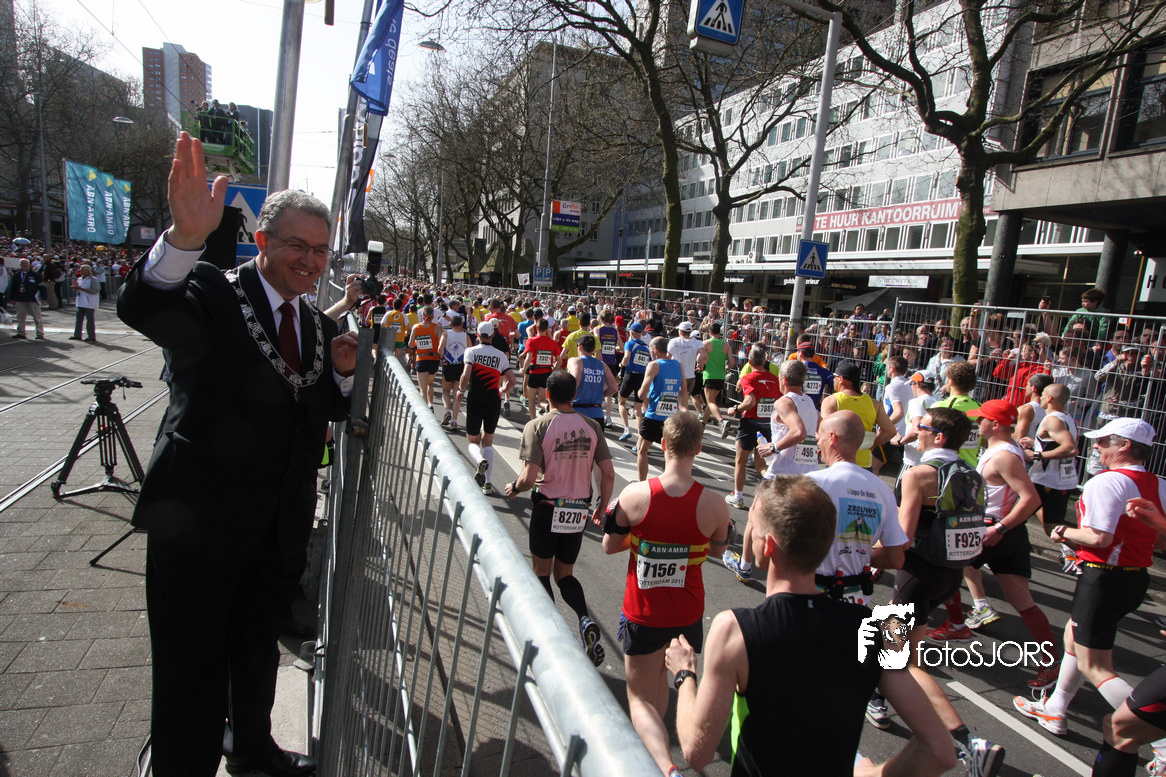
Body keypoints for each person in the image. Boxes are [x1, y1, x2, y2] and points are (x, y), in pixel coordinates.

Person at [117, 132, 357, 777]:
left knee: (256, 653)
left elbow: (317, 412)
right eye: (297, 246)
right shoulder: (213, 292)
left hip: (276, 532)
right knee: (189, 667)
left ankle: (252, 749)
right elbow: (144, 307)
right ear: (262, 241)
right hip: (198, 526)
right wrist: (184, 238)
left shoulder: (318, 325)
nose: (309, 261)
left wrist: (341, 378)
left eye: (320, 250)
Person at [664, 476, 955, 777]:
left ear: (768, 545)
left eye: (753, 526)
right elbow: (940, 752)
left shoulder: (734, 630)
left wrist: (685, 674)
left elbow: (697, 752)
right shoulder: (875, 629)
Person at [1014, 418, 1165, 740]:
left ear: (1125, 446)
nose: (1095, 446)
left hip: (1103, 579)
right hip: (1135, 579)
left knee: (1095, 666)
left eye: (1103, 441)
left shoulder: (1107, 482)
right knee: (1073, 638)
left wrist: (1063, 531)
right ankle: (1055, 707)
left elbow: (1099, 538)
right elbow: (1161, 539)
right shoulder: (1159, 483)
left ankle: (1158, 737)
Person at [602, 411, 732, 777]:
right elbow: (719, 549)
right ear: (699, 448)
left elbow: (609, 546)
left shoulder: (635, 495)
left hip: (643, 612)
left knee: (641, 699)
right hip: (687, 614)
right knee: (660, 686)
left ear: (663, 444)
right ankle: (654, 758)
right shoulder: (715, 504)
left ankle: (665, 767)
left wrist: (643, 542)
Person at [885, 406, 1005, 776]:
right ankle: (878, 698)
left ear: (937, 436)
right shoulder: (972, 474)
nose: (914, 431)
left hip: (916, 573)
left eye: (920, 427)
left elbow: (902, 537)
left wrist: (866, 555)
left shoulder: (919, 474)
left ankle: (969, 742)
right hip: (950, 576)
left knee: (899, 661)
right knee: (896, 650)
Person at [505, 370, 615, 667]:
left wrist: (514, 488)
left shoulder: (537, 425)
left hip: (548, 506)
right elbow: (608, 473)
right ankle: (584, 620)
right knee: (565, 574)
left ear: (547, 394)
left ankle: (551, 638)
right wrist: (601, 506)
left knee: (541, 571)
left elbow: (528, 478)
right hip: (578, 509)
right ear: (574, 395)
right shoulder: (591, 425)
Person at [956, 400, 1060, 689]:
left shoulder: (1004, 455)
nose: (977, 424)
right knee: (1020, 598)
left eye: (981, 419)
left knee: (935, 573)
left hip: (994, 530)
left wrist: (1000, 528)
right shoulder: (1004, 449)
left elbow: (1031, 499)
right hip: (1004, 532)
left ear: (995, 424)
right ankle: (1051, 661)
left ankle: (949, 627)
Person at [459, 320, 516, 496]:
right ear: (493, 335)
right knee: (488, 441)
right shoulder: (501, 356)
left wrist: (461, 390)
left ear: (477, 334)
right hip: (493, 399)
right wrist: (503, 390)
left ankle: (479, 460)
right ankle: (488, 484)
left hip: (475, 398)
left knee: (472, 440)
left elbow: (466, 375)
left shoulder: (471, 352)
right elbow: (513, 380)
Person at [723, 345, 784, 509]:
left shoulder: (748, 378)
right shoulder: (775, 379)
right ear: (765, 361)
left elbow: (750, 401)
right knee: (760, 464)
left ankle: (738, 497)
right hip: (767, 424)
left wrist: (735, 409)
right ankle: (775, 489)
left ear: (750, 362)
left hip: (749, 423)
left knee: (740, 461)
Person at [1020, 382, 1079, 528]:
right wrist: (1035, 443)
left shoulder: (1052, 420)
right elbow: (1058, 443)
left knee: (1015, 514)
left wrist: (1037, 455)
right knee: (1052, 527)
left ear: (1050, 398)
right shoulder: (1067, 417)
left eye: (1043, 395)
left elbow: (1071, 449)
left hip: (1047, 480)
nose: (1040, 398)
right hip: (1060, 480)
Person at [820, 360, 895, 471]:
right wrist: (873, 445)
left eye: (834, 377)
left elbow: (825, 431)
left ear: (841, 379)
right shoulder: (875, 404)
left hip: (838, 461)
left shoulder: (831, 401)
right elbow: (890, 431)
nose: (833, 380)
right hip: (864, 463)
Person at [636, 337, 688, 482]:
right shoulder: (678, 365)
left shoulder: (654, 365)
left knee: (642, 450)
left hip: (654, 415)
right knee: (669, 452)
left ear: (656, 350)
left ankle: (641, 483)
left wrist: (641, 393)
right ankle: (668, 483)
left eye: (650, 349)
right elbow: (684, 393)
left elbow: (642, 394)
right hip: (672, 417)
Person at [617, 322, 651, 442]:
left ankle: (626, 429)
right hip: (641, 377)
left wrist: (621, 364)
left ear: (631, 332)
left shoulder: (630, 343)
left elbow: (626, 358)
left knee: (621, 402)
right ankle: (640, 439)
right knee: (638, 409)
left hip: (630, 375)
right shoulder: (647, 347)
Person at [521, 316, 561, 416]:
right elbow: (559, 360)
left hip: (534, 373)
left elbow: (528, 358)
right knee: (541, 400)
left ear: (537, 328)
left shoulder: (531, 341)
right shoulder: (552, 342)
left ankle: (533, 421)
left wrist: (524, 370)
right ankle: (546, 407)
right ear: (547, 329)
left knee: (531, 401)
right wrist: (554, 369)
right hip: (546, 373)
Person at [700, 321, 734, 434]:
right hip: (720, 376)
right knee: (712, 402)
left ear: (710, 332)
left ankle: (722, 421)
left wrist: (700, 365)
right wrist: (727, 367)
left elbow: (699, 358)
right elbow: (732, 362)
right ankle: (703, 424)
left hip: (709, 375)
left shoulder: (706, 343)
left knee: (710, 402)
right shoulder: (726, 345)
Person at [437, 314, 470, 431]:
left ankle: (447, 410)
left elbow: (440, 348)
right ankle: (455, 421)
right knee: (457, 394)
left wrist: (441, 357)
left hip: (448, 365)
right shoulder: (466, 336)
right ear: (462, 324)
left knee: (445, 390)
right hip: (460, 366)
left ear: (451, 324)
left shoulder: (446, 334)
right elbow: (470, 350)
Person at [668, 321, 706, 415]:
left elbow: (668, 358)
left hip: (676, 375)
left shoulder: (674, 341)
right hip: (690, 376)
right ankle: (682, 418)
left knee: (681, 403)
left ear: (680, 331)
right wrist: (701, 365)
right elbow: (705, 356)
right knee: (683, 400)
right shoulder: (697, 342)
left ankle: (684, 419)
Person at [409, 305, 442, 408]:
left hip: (421, 358)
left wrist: (417, 342)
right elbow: (442, 343)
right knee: (430, 383)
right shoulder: (437, 327)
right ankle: (430, 404)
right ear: (432, 316)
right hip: (434, 359)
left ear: (422, 315)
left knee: (422, 388)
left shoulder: (416, 327)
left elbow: (410, 344)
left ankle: (425, 409)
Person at [9, 258, 44, 340]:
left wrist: (43, 297)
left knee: (37, 317)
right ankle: (21, 333)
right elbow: (13, 287)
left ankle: (40, 333)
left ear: (29, 265)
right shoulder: (17, 275)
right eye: (22, 264)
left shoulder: (35, 275)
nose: (24, 265)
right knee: (20, 316)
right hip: (20, 299)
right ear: (20, 265)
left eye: (26, 263)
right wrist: (11, 298)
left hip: (33, 299)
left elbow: (42, 286)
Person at [68, 263, 100, 343]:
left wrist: (81, 288)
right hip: (80, 301)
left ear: (88, 271)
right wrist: (75, 286)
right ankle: (77, 335)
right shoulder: (79, 279)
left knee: (90, 320)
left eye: (82, 270)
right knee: (78, 320)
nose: (81, 271)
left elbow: (95, 290)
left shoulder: (93, 279)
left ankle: (91, 336)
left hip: (89, 302)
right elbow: (77, 290)